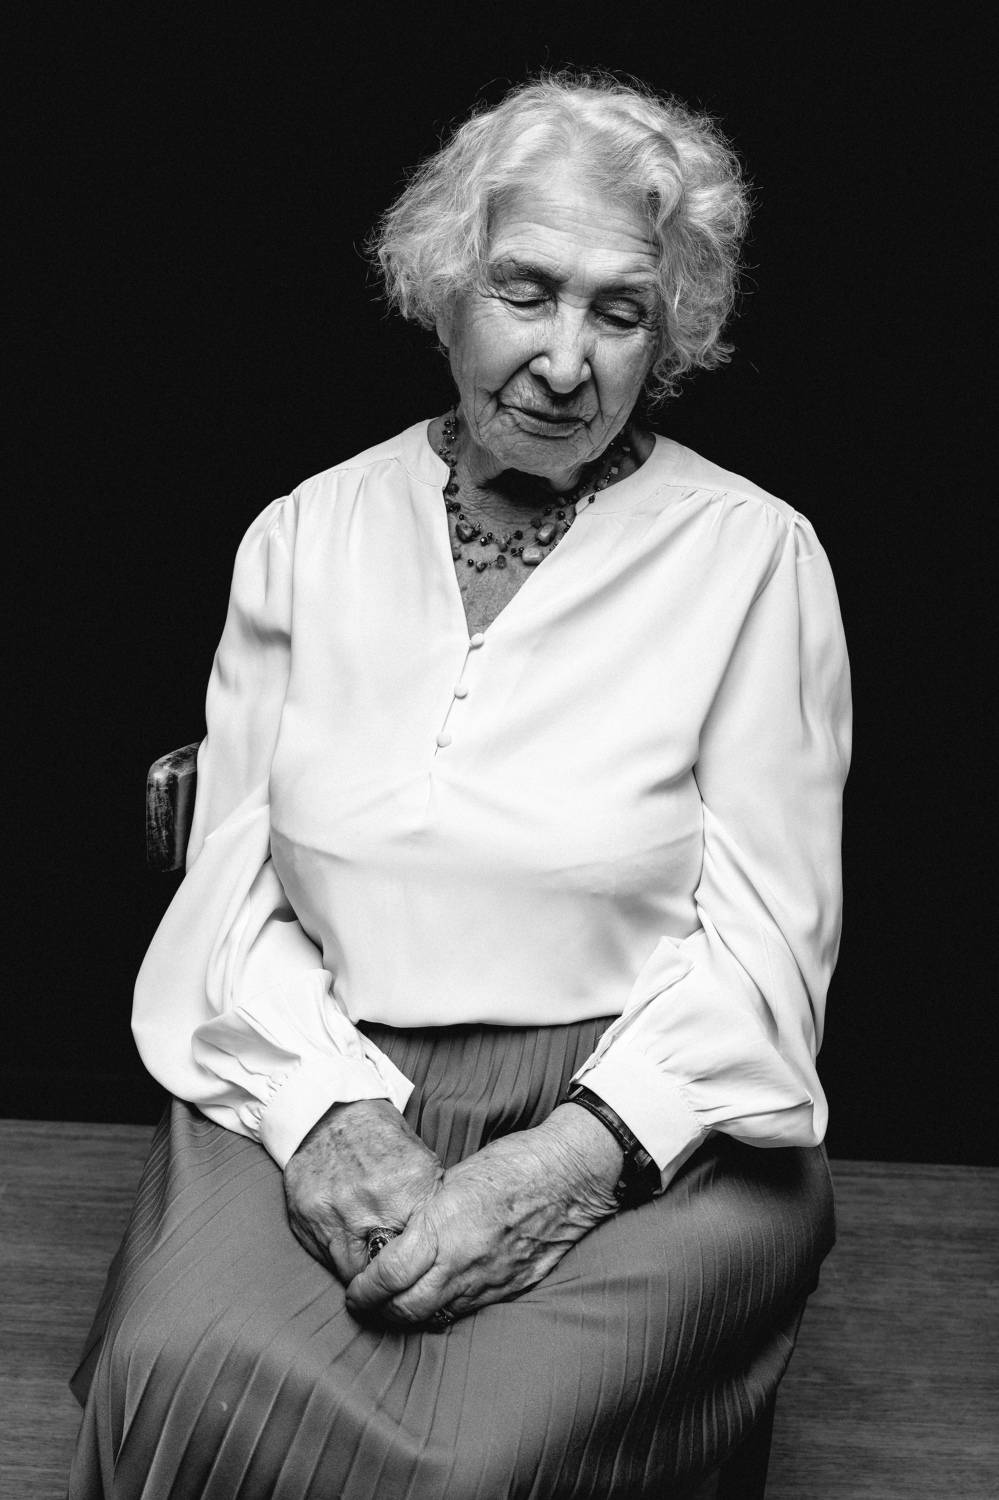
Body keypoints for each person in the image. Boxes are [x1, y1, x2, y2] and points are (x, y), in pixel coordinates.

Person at [69, 72, 851, 1499]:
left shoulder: (756, 557)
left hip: (642, 1115)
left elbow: (768, 949)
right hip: (321, 1062)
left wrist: (567, 1164)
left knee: (473, 1459)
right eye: (525, 291)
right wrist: (322, 1113)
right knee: (173, 1364)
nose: (565, 359)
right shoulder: (304, 535)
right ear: (444, 290)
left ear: (669, 334)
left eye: (620, 311)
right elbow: (231, 891)